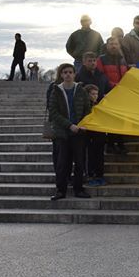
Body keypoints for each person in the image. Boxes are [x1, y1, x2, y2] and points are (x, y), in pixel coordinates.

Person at [48, 63, 93, 201]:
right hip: (62, 133)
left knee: (79, 163)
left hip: (79, 132)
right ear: (61, 75)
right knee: (62, 163)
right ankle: (60, 190)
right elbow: (53, 112)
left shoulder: (81, 90)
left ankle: (79, 189)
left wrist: (82, 124)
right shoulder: (56, 90)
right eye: (65, 72)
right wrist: (69, 125)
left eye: (70, 72)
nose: (68, 74)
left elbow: (88, 109)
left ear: (74, 74)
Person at [82, 84, 106, 188]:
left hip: (99, 135)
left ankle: (99, 176)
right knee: (91, 156)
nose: (95, 96)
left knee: (99, 156)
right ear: (87, 94)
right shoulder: (84, 106)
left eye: (96, 94)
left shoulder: (98, 105)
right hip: (89, 135)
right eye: (92, 94)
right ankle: (91, 176)